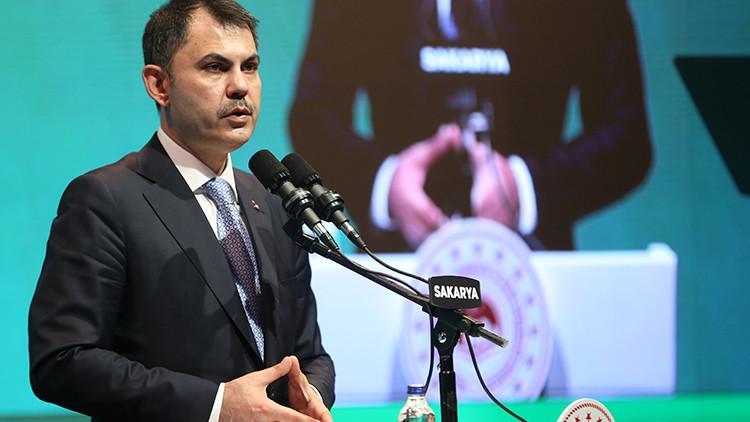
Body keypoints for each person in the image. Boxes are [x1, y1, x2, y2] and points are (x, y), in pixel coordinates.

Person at [28, 1, 334, 421]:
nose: (240, 86)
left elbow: (310, 353)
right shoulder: (104, 200)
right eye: (215, 67)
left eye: (250, 67)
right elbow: (62, 360)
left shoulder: (274, 203)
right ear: (159, 84)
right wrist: (216, 406)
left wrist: (309, 393)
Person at [289, 0, 652, 251]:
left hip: (535, 263)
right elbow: (313, 117)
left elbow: (627, 136)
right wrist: (387, 183)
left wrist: (526, 188)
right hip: (397, 264)